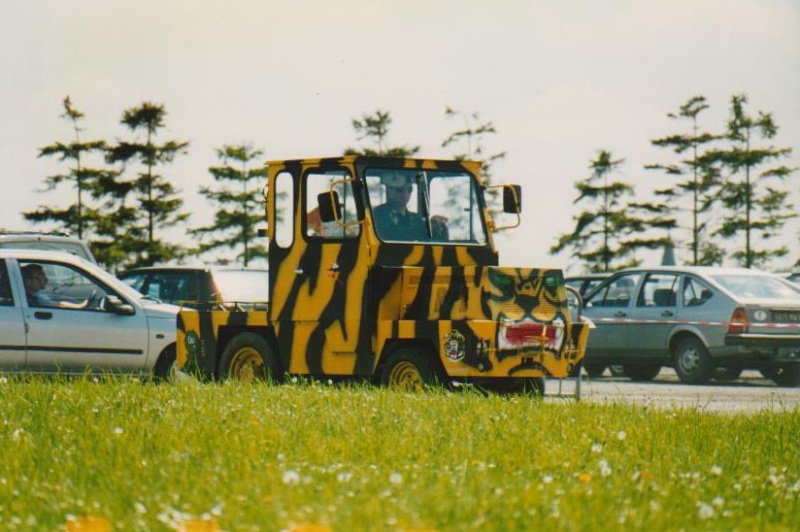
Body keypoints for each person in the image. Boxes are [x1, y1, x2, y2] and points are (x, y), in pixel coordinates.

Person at [372, 172, 448, 241]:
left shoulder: (416, 219)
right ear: (390, 191)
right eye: (400, 190)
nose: (405, 194)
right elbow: (392, 235)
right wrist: (425, 228)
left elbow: (429, 240)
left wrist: (437, 227)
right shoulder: (377, 214)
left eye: (409, 189)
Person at [21, 263, 89, 309]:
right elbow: (60, 305)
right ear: (28, 282)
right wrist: (80, 306)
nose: (46, 279)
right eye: (40, 277)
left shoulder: (32, 295)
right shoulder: (32, 300)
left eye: (44, 276)